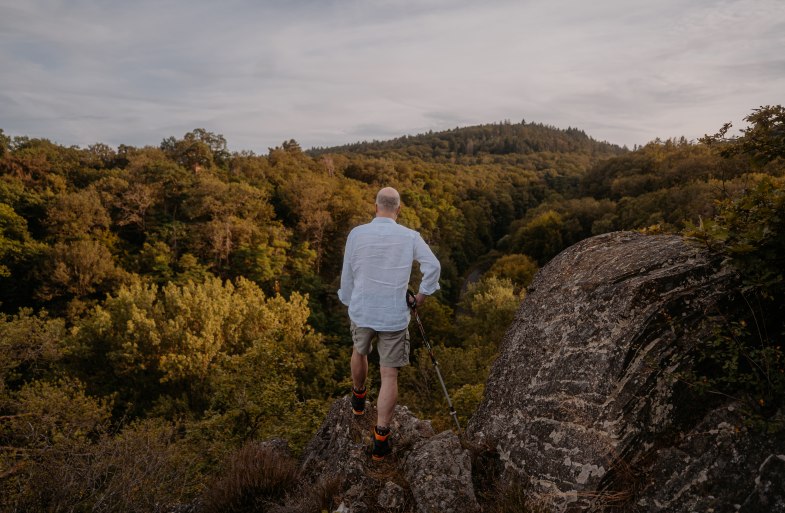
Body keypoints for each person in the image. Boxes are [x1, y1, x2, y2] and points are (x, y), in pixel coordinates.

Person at [338, 187, 441, 460]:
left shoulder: (356, 234)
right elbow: (433, 266)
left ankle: (358, 397)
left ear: (375, 207)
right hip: (394, 314)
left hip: (362, 308)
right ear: (399, 209)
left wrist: (349, 299)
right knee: (389, 374)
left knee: (359, 351)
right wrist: (421, 296)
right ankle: (381, 438)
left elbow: (347, 271)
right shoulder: (410, 237)